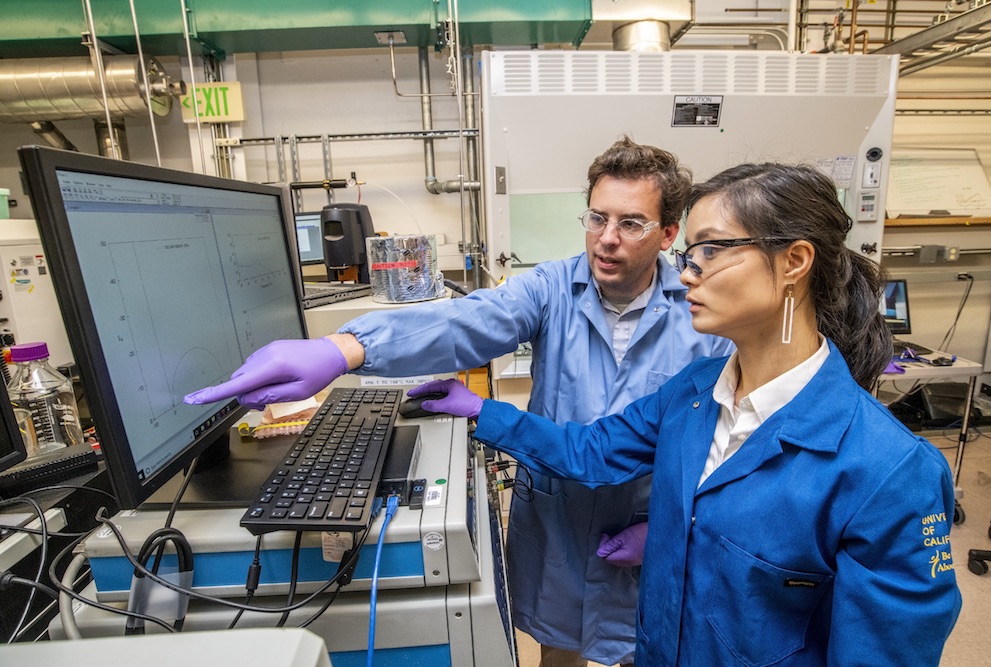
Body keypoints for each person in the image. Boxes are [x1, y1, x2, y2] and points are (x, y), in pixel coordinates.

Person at [185, 137, 734, 666]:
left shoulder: (703, 311)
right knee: (557, 649)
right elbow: (467, 322)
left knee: (649, 648)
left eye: (630, 223)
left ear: (667, 234)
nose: (606, 238)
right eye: (596, 217)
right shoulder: (552, 287)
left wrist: (672, 524)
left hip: (650, 517)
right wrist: (345, 348)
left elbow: (730, 441)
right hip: (558, 516)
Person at [409, 163, 963, 666]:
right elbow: (592, 451)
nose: (688, 274)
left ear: (794, 261)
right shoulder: (694, 394)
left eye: (712, 251)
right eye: (689, 255)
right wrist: (484, 412)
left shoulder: (890, 471)